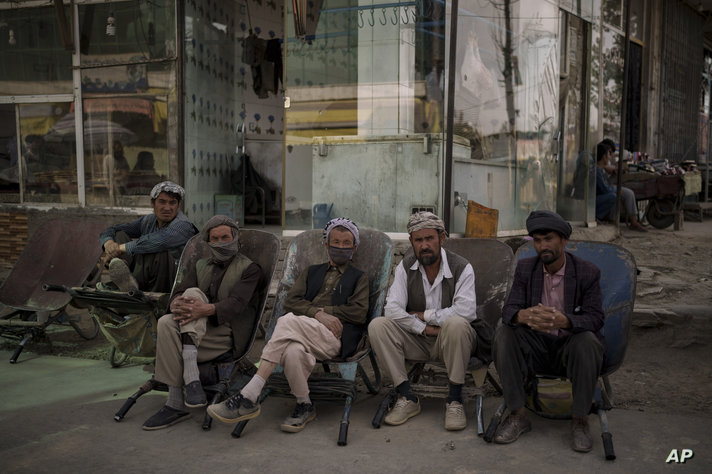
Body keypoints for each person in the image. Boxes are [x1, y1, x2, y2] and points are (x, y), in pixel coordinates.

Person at [207, 217, 368, 433]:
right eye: (335, 242)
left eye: (346, 243)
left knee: (286, 321)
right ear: (327, 244)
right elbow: (291, 301)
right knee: (292, 351)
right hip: (302, 331)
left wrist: (324, 314)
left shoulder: (360, 278)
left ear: (354, 247)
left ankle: (250, 393)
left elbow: (358, 312)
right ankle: (304, 404)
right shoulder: (311, 272)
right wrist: (317, 314)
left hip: (335, 338)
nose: (340, 247)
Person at [492, 210, 604, 453]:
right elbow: (509, 309)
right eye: (538, 241)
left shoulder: (587, 272)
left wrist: (564, 321)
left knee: (588, 341)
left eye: (549, 239)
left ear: (563, 240)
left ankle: (580, 420)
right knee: (504, 332)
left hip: (569, 346)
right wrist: (524, 315)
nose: (543, 246)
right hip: (536, 347)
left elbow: (595, 318)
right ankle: (518, 414)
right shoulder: (526, 268)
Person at [142, 215, 263, 430]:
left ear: (235, 237)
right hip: (197, 334)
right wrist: (177, 303)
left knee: (191, 296)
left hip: (224, 335)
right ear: (208, 243)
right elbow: (177, 294)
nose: (220, 242)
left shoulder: (250, 269)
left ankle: (178, 397)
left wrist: (203, 309)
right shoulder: (200, 265)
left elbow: (237, 304)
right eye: (214, 239)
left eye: (225, 237)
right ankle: (182, 392)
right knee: (167, 320)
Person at [368, 211, 480, 431]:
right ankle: (407, 396)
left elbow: (465, 311)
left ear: (442, 239)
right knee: (378, 325)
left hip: (452, 341)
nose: (424, 245)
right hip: (419, 338)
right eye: (418, 240)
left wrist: (424, 315)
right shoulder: (405, 267)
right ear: (411, 242)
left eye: (429, 238)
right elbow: (392, 309)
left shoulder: (461, 267)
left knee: (457, 324)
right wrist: (425, 328)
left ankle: (455, 400)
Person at [99, 181, 198, 293]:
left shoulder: (183, 225)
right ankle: (127, 283)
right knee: (119, 234)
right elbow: (112, 229)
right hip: (143, 277)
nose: (167, 208)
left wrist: (118, 249)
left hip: (173, 283)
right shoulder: (148, 220)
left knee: (158, 251)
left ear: (178, 205)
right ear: (152, 203)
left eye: (172, 203)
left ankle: (132, 287)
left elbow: (158, 242)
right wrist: (109, 245)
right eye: (162, 202)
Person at [596, 139, 646, 231]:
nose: (610, 157)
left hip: (606, 188)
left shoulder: (600, 168)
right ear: (603, 156)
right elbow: (604, 189)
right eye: (608, 154)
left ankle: (624, 220)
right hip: (601, 193)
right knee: (616, 195)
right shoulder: (597, 169)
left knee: (620, 194)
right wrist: (616, 190)